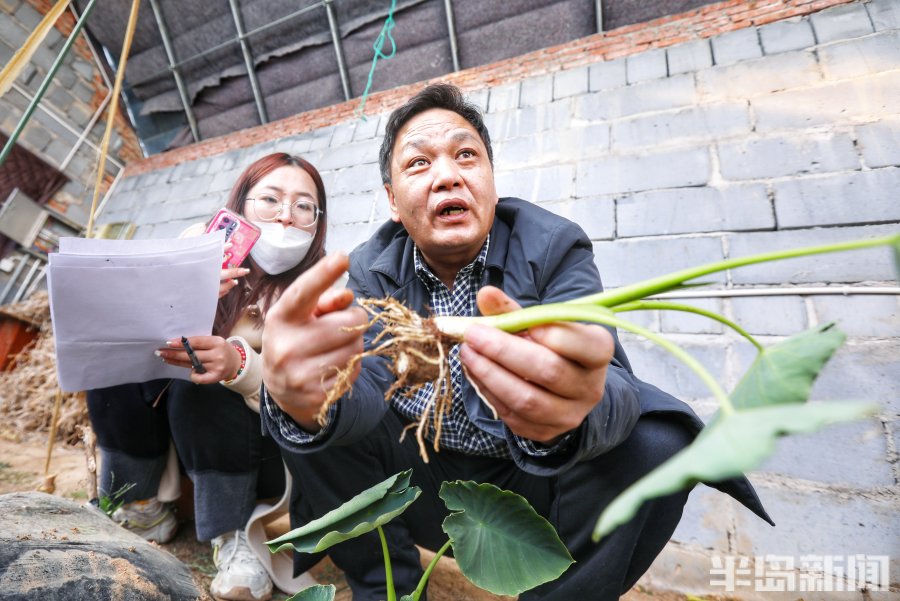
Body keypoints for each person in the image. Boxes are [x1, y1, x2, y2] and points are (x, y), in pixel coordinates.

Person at [259, 84, 772, 600]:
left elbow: (610, 377)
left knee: (656, 443)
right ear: (393, 201)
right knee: (309, 408)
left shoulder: (553, 246)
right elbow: (365, 390)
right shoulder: (371, 269)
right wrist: (308, 398)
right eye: (418, 163)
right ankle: (384, 589)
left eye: (466, 155)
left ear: (490, 180)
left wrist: (571, 410)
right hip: (417, 480)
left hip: (528, 476)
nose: (447, 175)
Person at [86, 152, 328, 601]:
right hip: (176, 437)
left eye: (303, 205)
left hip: (260, 444)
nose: (285, 215)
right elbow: (143, 335)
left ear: (318, 221)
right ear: (240, 205)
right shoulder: (197, 248)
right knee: (118, 364)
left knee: (206, 378)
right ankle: (139, 504)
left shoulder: (322, 288)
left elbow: (314, 397)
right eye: (270, 199)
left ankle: (234, 534)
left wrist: (239, 365)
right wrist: (181, 296)